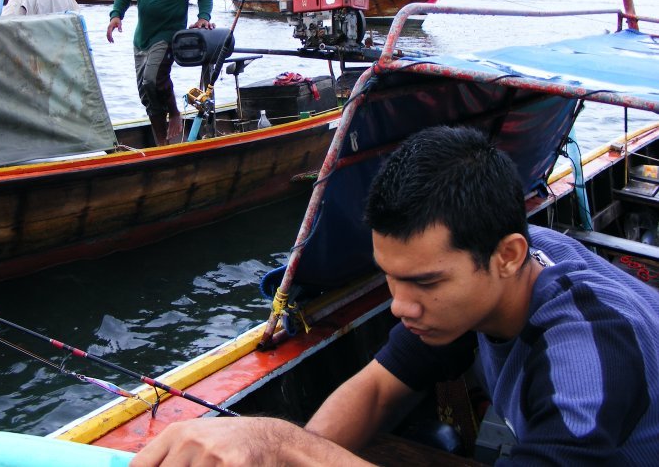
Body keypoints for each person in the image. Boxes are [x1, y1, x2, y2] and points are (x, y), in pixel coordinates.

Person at [131, 125, 659, 465]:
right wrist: (294, 457)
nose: (402, 305)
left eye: (425, 282)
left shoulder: (590, 347)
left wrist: (281, 443)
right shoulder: (483, 278)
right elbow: (379, 390)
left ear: (507, 257)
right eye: (391, 276)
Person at [106, 0, 213, 146]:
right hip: (142, 38)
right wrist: (116, 15)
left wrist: (203, 17)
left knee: (152, 78)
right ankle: (161, 144)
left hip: (169, 35)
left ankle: (174, 111)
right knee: (147, 93)